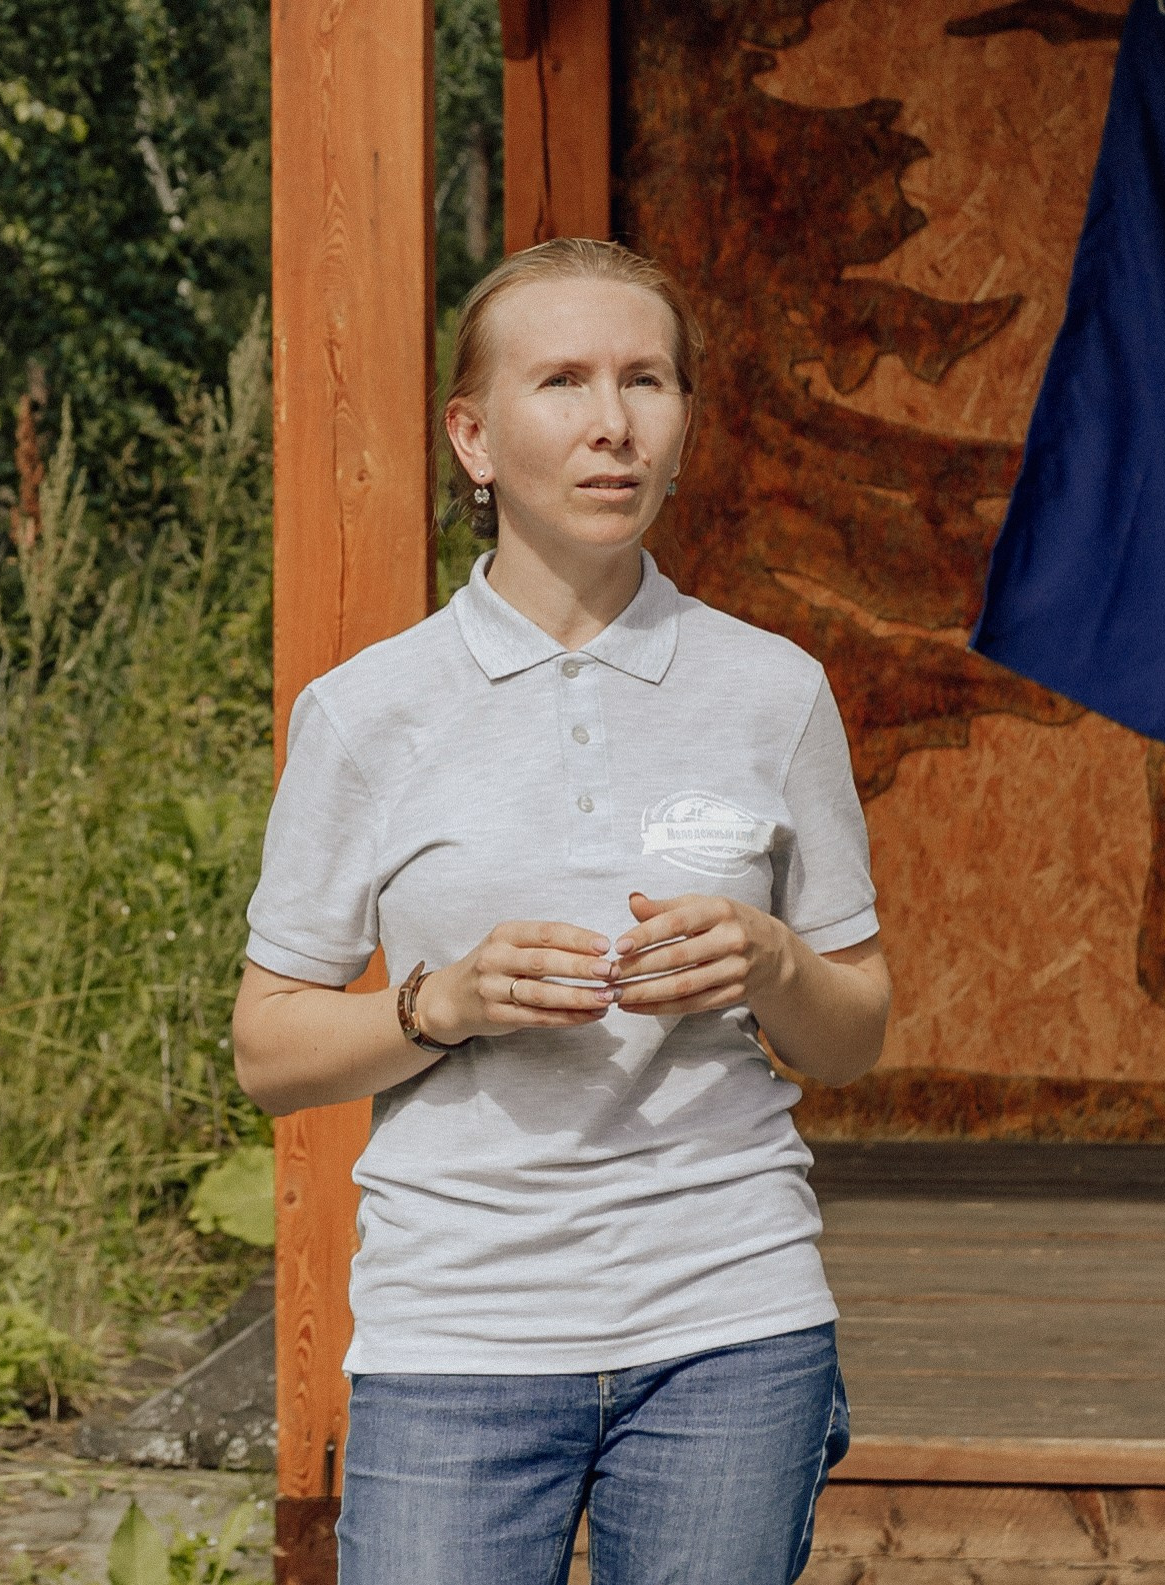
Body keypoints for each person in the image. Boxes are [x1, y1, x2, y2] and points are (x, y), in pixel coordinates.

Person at [230, 237, 892, 1584]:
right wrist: (443, 1004)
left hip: (731, 1321)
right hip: (454, 1334)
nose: (611, 423)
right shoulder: (366, 712)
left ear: (683, 426)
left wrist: (769, 960)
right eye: (564, 382)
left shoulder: (774, 691)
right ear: (471, 437)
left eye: (646, 380)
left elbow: (853, 1032)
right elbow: (268, 1048)